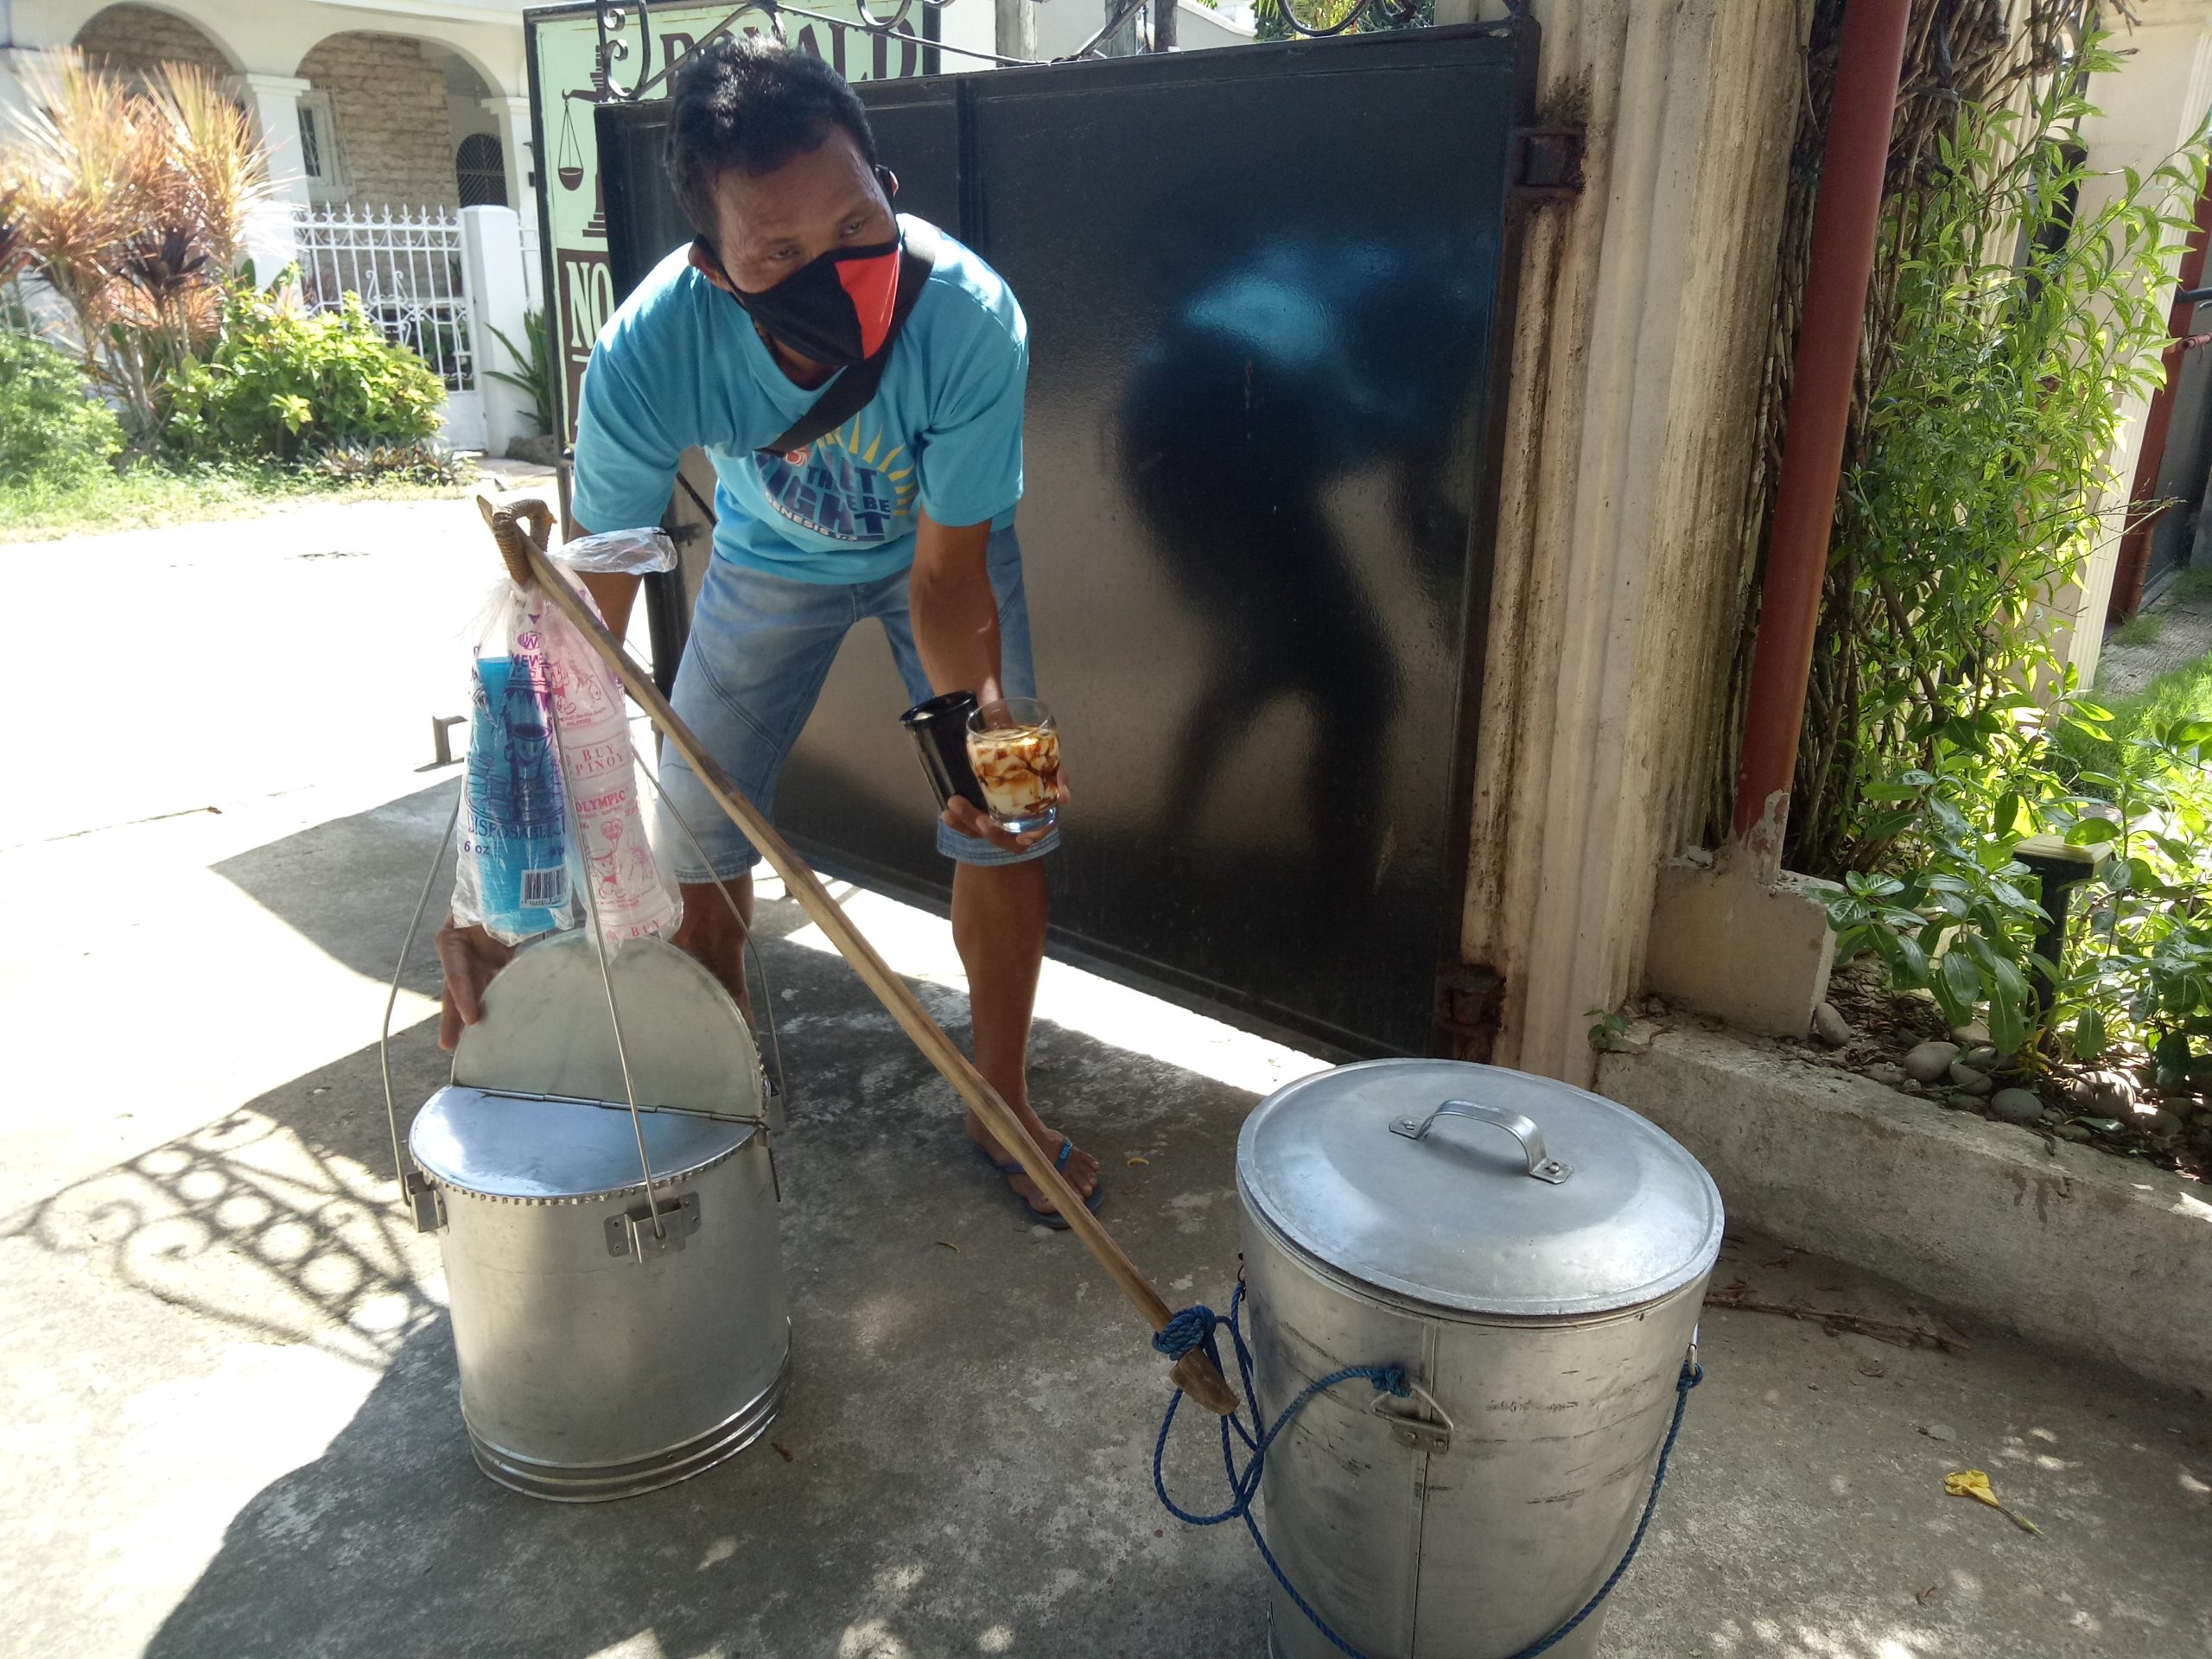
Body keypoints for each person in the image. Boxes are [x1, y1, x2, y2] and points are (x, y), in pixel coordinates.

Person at [434, 38, 1098, 1226]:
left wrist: (986, 736)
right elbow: (585, 623)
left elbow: (952, 582)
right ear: (716, 265)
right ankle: (721, 1061)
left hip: (941, 564)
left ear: (888, 191)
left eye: (854, 227)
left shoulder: (971, 316)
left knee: (1014, 812)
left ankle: (999, 1094)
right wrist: (492, 886)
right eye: (780, 253)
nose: (832, 270)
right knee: (695, 821)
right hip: (765, 562)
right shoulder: (649, 349)